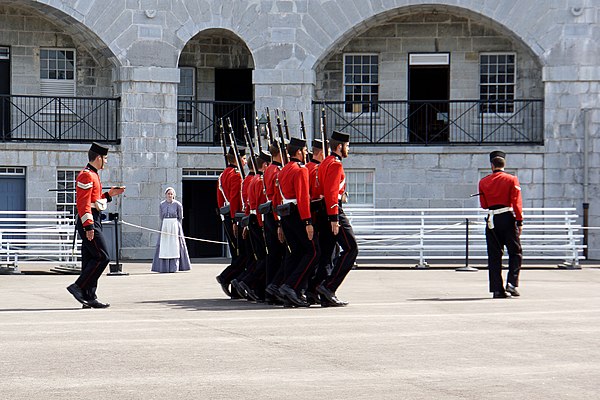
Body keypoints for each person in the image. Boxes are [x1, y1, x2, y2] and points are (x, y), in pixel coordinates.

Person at [66, 142, 125, 309]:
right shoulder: (86, 175)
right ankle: (78, 286)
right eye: (105, 158)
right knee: (102, 256)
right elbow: (83, 204)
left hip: (93, 217)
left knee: (91, 258)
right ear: (98, 158)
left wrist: (109, 194)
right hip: (89, 220)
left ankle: (89, 297)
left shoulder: (93, 174)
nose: (106, 161)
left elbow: (96, 201)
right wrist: (89, 226)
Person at [276, 137, 320, 307]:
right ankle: (291, 286)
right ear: (298, 152)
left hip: (286, 215)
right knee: (313, 251)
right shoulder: (300, 170)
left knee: (294, 254)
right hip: (298, 215)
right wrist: (308, 221)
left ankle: (289, 292)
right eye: (303, 151)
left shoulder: (283, 170)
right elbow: (302, 198)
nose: (305, 153)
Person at [316, 130, 358, 307]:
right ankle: (329, 287)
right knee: (351, 248)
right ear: (340, 146)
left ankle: (320, 290)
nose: (348, 148)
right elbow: (332, 192)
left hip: (324, 210)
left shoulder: (325, 162)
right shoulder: (335, 164)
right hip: (333, 211)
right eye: (347, 146)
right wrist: (334, 217)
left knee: (327, 253)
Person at [478, 150, 523, 299]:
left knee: (494, 255)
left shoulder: (483, 182)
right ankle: (512, 283)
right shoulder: (512, 179)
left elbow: (484, 205)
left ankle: (497, 289)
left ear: (492, 165)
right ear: (504, 164)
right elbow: (516, 202)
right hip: (507, 218)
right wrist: (519, 221)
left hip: (492, 220)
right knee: (515, 252)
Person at [151, 187, 191, 273]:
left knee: (175, 245)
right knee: (164, 245)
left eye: (171, 194)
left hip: (174, 225)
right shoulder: (162, 204)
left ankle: (174, 267)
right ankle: (163, 267)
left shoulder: (178, 204)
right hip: (165, 224)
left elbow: (180, 217)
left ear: (174, 195)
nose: (170, 195)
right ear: (165, 195)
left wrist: (176, 225)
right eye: (168, 194)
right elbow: (161, 216)